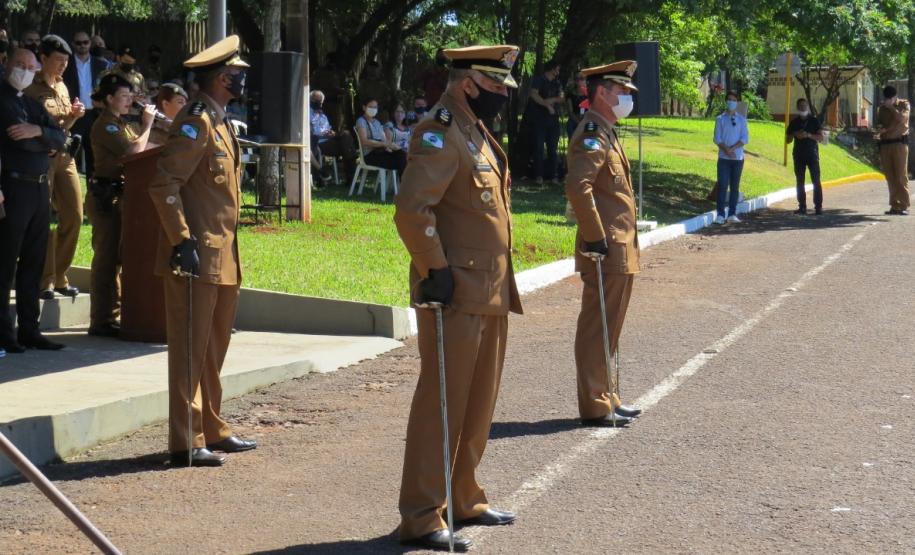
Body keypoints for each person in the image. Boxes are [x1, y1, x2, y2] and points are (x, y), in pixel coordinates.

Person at [394, 44, 523, 552]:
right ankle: (423, 513)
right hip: (456, 290)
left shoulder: (474, 129)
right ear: (468, 82)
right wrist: (436, 270)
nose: (502, 97)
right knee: (442, 402)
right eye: (495, 87)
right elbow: (412, 210)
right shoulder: (439, 130)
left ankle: (463, 494)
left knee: (477, 401)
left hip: (488, 287)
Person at [149, 35, 257, 467]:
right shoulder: (196, 120)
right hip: (195, 254)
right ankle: (186, 440)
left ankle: (212, 427)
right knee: (191, 350)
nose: (244, 80)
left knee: (213, 349)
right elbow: (163, 184)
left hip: (223, 254)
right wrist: (181, 240)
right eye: (238, 74)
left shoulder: (221, 120)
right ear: (220, 78)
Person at [564, 60, 643, 428]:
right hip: (605, 246)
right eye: (622, 91)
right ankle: (595, 403)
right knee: (598, 326)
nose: (628, 97)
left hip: (619, 246)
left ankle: (608, 395)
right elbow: (578, 186)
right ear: (601, 92)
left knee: (611, 326)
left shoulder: (607, 131)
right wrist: (595, 237)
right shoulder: (592, 132)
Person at [0, 48, 67, 353]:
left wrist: (37, 130)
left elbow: (61, 138)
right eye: (20, 65)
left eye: (30, 67)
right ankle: (4, 333)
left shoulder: (30, 104)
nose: (25, 71)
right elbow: (21, 144)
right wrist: (44, 141)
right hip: (12, 188)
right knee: (5, 263)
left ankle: (30, 328)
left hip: (40, 189)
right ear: (7, 64)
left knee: (34, 263)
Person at [86, 74, 156, 338]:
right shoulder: (106, 125)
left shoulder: (122, 123)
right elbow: (132, 152)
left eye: (131, 96)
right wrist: (146, 124)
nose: (129, 101)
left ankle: (111, 316)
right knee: (105, 258)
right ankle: (101, 319)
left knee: (116, 256)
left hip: (121, 195)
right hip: (105, 195)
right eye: (124, 97)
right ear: (109, 99)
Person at [25, 35, 85, 301]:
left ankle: (60, 274)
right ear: (44, 58)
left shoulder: (62, 86)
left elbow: (61, 127)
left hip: (64, 155)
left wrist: (72, 116)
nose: (62, 66)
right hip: (41, 158)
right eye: (58, 60)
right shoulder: (29, 87)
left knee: (74, 215)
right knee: (43, 219)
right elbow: (24, 123)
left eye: (66, 61)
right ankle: (45, 279)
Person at [63, 31, 108, 177]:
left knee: (94, 155)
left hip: (94, 113)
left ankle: (93, 192)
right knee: (69, 154)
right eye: (78, 43)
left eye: (85, 42)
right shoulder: (66, 63)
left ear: (90, 43)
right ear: (73, 44)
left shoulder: (101, 64)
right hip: (73, 113)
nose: (82, 45)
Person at [712, 90, 749, 224]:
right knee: (722, 185)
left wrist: (733, 148)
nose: (731, 102)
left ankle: (732, 213)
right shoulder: (720, 119)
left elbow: (745, 138)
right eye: (729, 100)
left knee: (735, 186)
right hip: (724, 159)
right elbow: (717, 138)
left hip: (738, 159)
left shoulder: (742, 119)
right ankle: (720, 214)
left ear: (737, 102)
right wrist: (726, 150)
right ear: (726, 101)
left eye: (734, 100)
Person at [526, 60, 564, 184]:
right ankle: (538, 176)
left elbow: (561, 97)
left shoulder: (558, 82)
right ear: (552, 69)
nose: (558, 71)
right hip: (539, 119)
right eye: (557, 69)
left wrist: (550, 100)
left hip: (553, 120)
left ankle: (554, 176)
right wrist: (546, 105)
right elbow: (534, 95)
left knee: (553, 148)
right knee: (538, 147)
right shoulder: (539, 80)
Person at [875, 85, 910, 216]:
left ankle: (904, 205)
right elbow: (879, 123)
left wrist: (891, 107)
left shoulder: (904, 104)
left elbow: (902, 119)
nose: (888, 100)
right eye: (886, 98)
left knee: (901, 176)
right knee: (890, 177)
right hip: (885, 145)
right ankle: (895, 205)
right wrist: (879, 129)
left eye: (890, 98)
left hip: (899, 144)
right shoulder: (881, 109)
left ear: (895, 96)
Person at [786, 98, 824, 215]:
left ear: (808, 106)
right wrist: (794, 134)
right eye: (801, 106)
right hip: (798, 155)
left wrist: (808, 135)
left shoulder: (814, 121)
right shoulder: (794, 122)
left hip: (812, 154)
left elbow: (821, 138)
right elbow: (787, 140)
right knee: (800, 181)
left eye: (805, 106)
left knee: (816, 181)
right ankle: (802, 206)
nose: (803, 108)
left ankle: (818, 206)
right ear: (798, 108)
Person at [309, 89, 355, 183]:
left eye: (321, 102)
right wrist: (322, 134)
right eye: (317, 101)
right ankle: (350, 176)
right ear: (310, 100)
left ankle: (350, 177)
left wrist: (331, 133)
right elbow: (310, 132)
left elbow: (327, 128)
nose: (319, 104)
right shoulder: (306, 113)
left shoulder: (322, 115)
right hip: (317, 142)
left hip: (329, 140)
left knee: (346, 136)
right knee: (347, 146)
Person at [355, 97, 406, 175]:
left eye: (375, 107)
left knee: (402, 154)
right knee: (401, 160)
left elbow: (384, 140)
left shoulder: (377, 122)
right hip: (370, 155)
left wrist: (391, 146)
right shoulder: (361, 121)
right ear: (364, 107)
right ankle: (404, 185)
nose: (373, 109)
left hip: (381, 152)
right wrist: (384, 144)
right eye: (370, 107)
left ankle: (404, 184)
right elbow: (364, 141)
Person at [565, 71, 588, 138]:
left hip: (587, 119)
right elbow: (570, 112)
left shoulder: (590, 94)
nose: (579, 81)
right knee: (571, 126)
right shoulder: (570, 94)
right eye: (576, 78)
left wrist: (583, 121)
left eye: (581, 78)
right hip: (574, 120)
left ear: (585, 79)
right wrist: (578, 122)